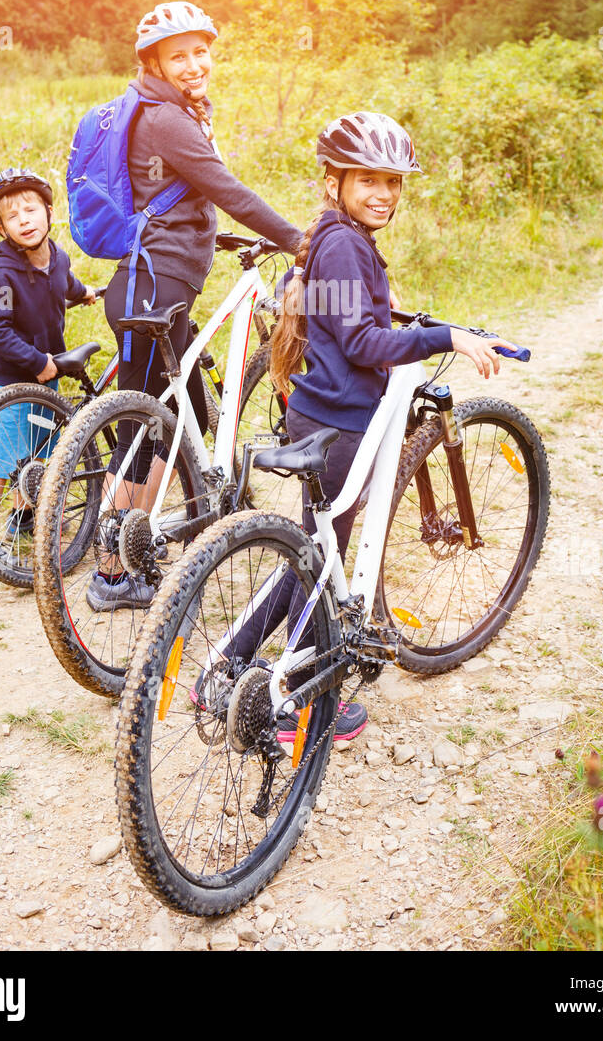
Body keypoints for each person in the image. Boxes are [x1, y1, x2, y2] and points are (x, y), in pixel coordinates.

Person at [221, 110, 517, 741]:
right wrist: (445, 338)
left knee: (311, 554)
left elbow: (343, 317)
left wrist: (407, 326)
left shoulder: (328, 236)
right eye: (369, 181)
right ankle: (294, 703)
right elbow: (360, 341)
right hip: (342, 429)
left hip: (315, 414)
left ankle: (225, 663)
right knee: (318, 563)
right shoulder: (347, 243)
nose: (384, 193)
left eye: (394, 182)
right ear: (335, 181)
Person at [91, 0, 303, 612]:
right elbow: (225, 188)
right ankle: (111, 572)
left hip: (159, 284)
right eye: (178, 54)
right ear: (154, 61)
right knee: (140, 427)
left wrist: (219, 235)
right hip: (151, 288)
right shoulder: (164, 119)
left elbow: (182, 195)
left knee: (187, 416)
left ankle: (151, 537)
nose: (193, 63)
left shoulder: (174, 112)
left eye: (200, 51)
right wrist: (298, 239)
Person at [0, 168, 95, 571]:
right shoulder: (1, 276)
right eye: (13, 216)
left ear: (49, 212)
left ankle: (23, 520)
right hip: (14, 384)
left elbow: (64, 282)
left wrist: (85, 292)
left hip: (48, 379)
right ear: (2, 228)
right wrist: (37, 361)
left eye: (31, 209)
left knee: (39, 455)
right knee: (4, 461)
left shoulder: (56, 256)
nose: (24, 220)